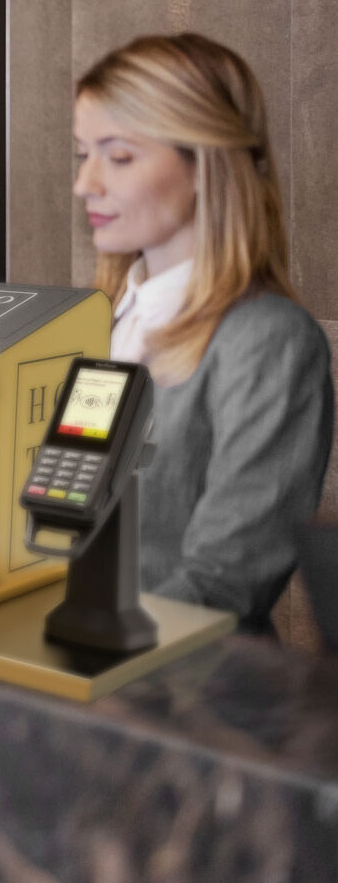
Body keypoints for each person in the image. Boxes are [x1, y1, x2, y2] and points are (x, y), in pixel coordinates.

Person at [72, 32, 332, 635]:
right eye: (81, 154)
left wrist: (84, 660)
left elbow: (224, 580)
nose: (87, 183)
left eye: (119, 156)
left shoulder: (269, 341)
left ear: (203, 166)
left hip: (183, 696)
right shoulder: (105, 321)